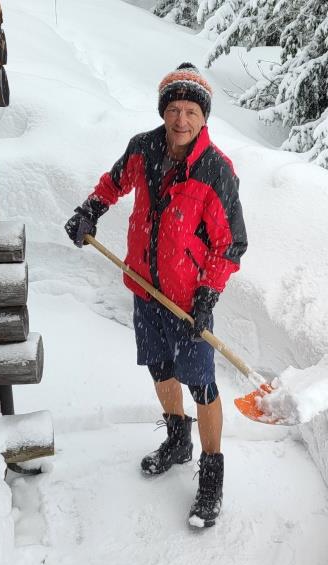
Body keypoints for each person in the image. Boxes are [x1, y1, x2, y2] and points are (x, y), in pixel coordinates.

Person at [64, 62, 247, 528]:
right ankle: (177, 440)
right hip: (145, 289)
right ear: (163, 111)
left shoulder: (216, 170)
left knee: (202, 385)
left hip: (187, 302)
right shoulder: (143, 148)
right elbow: (114, 183)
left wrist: (207, 296)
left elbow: (230, 244)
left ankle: (211, 475)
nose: (181, 120)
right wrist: (90, 211)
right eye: (174, 109)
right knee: (161, 369)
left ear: (203, 117)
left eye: (191, 111)